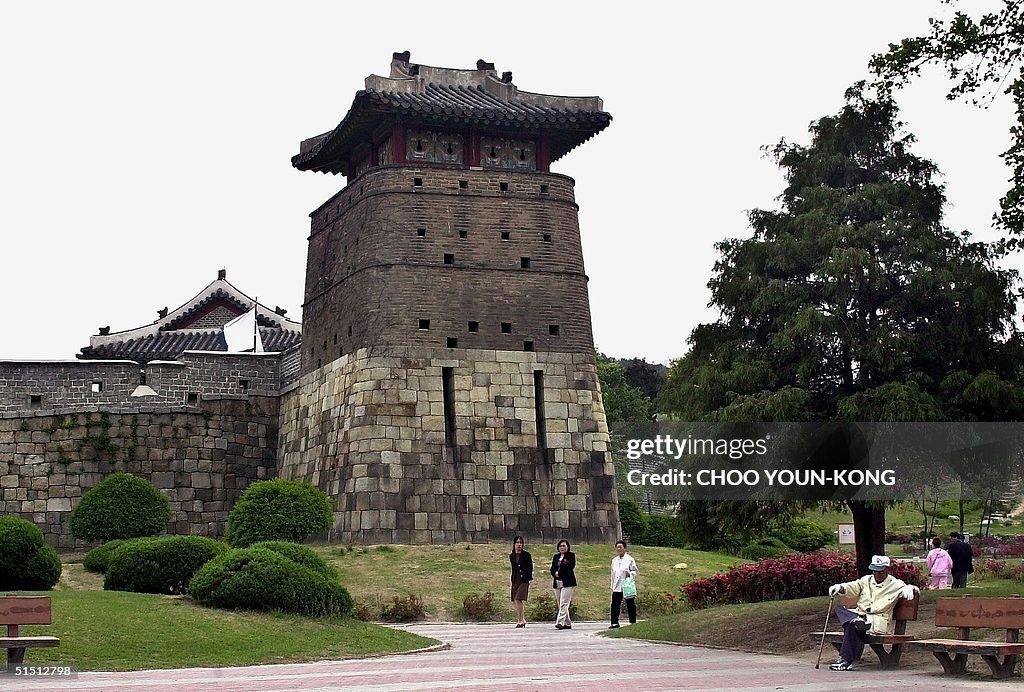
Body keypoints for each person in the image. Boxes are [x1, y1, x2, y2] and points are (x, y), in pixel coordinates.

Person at [826, 555, 920, 671]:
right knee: (841, 611)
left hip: (876, 621)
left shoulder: (896, 584)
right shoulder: (866, 580)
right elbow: (853, 587)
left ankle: (845, 660)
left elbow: (913, 589)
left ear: (887, 570)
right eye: (874, 571)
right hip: (860, 616)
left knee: (852, 625)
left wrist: (910, 588)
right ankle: (849, 655)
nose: (877, 574)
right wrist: (840, 587)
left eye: (880, 571)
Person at [609, 540, 638, 628]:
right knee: (615, 604)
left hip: (626, 584)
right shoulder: (614, 560)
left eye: (620, 547)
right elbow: (613, 573)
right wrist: (612, 585)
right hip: (617, 585)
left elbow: (635, 570)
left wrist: (629, 573)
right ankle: (614, 622)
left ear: (624, 548)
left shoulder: (629, 559)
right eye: (617, 547)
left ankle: (632, 621)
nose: (619, 549)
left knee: (630, 603)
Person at [550, 539, 576, 630]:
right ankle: (567, 623)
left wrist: (559, 573)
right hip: (557, 582)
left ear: (567, 547)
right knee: (559, 603)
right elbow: (552, 568)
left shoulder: (571, 556)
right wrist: (555, 574)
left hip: (568, 582)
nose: (562, 548)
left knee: (564, 603)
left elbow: (569, 568)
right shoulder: (556, 557)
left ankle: (560, 622)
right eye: (561, 546)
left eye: (564, 546)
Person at [509, 535, 533, 628]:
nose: (519, 545)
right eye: (517, 543)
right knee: (516, 599)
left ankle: (520, 620)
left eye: (520, 543)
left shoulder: (527, 555)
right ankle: (522, 619)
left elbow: (530, 567)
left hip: (524, 579)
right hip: (516, 579)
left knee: (519, 598)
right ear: (514, 544)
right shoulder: (512, 556)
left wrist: (528, 577)